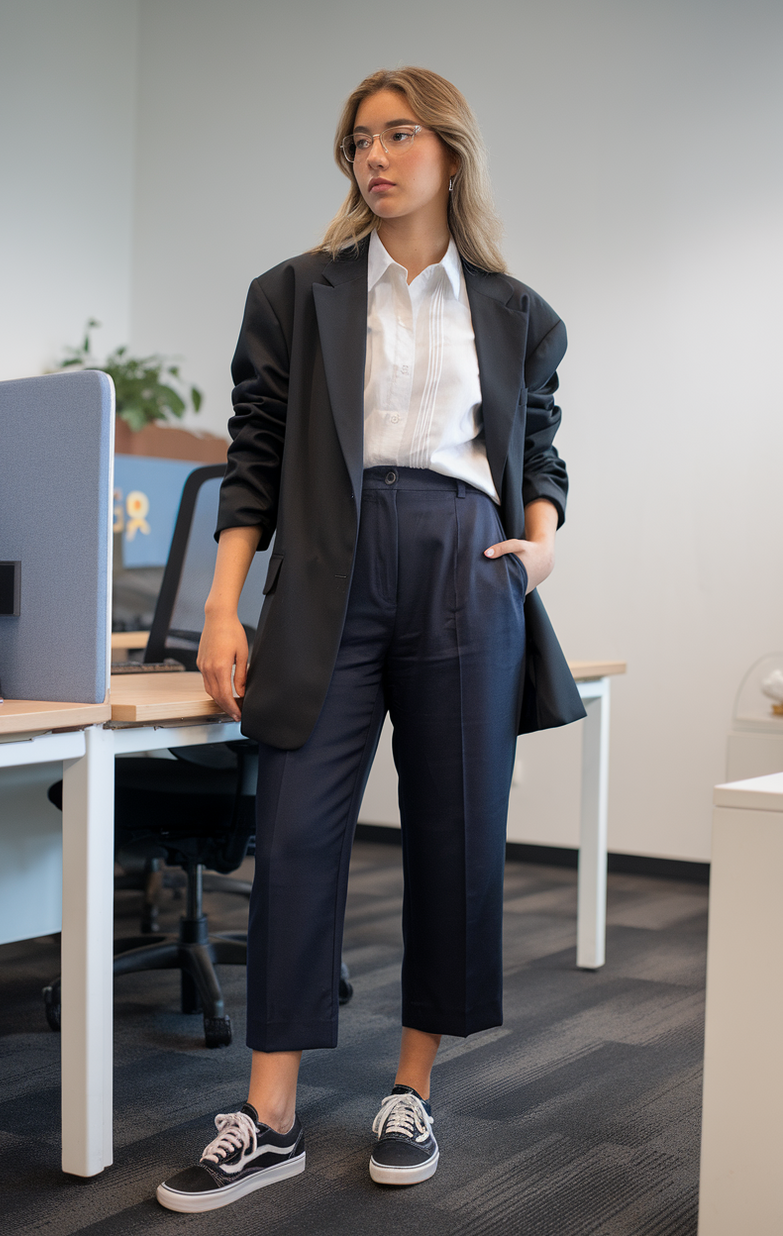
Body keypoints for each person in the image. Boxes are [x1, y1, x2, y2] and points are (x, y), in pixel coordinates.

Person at [156, 66, 584, 1215]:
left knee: (453, 836)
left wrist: (536, 549)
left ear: (449, 150)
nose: (374, 157)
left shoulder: (514, 311)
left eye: (398, 135)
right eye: (357, 141)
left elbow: (535, 451)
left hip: (463, 566)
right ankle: (271, 1113)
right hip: (329, 570)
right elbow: (254, 457)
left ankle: (410, 1088)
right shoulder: (294, 293)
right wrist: (218, 608)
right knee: (294, 835)